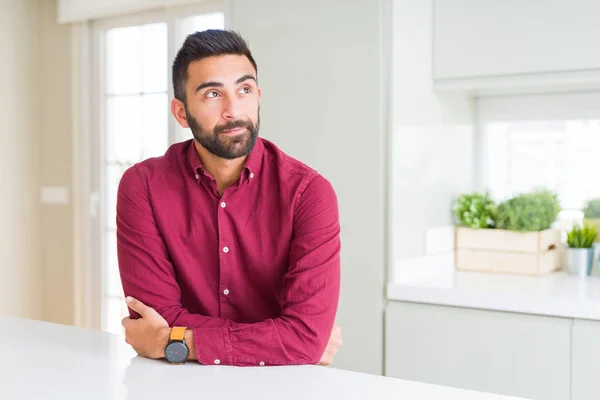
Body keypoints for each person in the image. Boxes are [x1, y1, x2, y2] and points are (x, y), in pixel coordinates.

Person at [117, 29, 342, 367]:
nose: (233, 110)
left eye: (244, 89)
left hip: (281, 387)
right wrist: (284, 340)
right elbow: (156, 314)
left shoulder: (310, 194)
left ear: (258, 96)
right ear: (181, 112)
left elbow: (305, 339)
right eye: (212, 94)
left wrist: (177, 341)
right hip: (176, 386)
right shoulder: (143, 187)